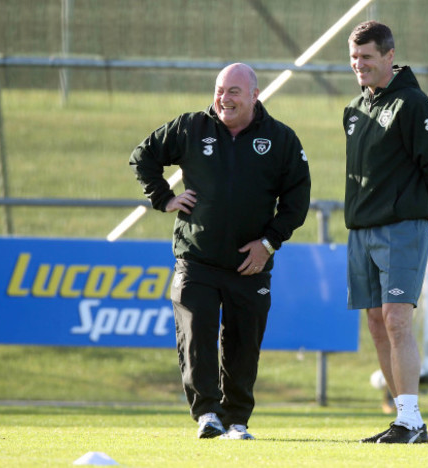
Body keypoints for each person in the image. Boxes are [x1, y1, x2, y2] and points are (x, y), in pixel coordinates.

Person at [129, 63, 311, 440]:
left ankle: (237, 420)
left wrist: (268, 243)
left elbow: (297, 199)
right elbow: (143, 156)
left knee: (244, 346)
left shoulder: (280, 139)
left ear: (254, 96)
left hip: (250, 264)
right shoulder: (191, 127)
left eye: (233, 92)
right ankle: (208, 414)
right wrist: (164, 198)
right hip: (197, 258)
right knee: (197, 335)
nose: (223, 99)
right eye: (219, 90)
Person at [343, 21, 428, 444]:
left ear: (389, 56)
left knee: (396, 319)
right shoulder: (355, 109)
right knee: (375, 322)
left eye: (367, 57)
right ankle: (405, 418)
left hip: (402, 228)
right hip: (362, 231)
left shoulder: (412, 105)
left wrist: (422, 215)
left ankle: (410, 419)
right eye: (354, 59)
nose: (359, 65)